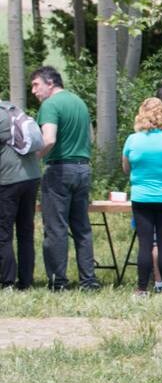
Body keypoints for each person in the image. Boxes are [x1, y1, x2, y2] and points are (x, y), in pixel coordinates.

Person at [30, 66, 97, 290]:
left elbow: (48, 139)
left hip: (59, 170)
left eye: (36, 84)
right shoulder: (79, 102)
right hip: (83, 168)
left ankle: (58, 281)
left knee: (56, 228)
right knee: (82, 228)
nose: (33, 91)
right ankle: (88, 280)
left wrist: (34, 158)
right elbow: (92, 137)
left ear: (50, 83)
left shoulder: (50, 105)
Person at [121, 98, 162, 294]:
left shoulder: (132, 140)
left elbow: (126, 167)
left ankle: (141, 289)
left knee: (144, 244)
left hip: (141, 197)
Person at [0, 98, 42, 289]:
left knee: (4, 232)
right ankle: (26, 281)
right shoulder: (13, 109)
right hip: (32, 177)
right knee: (25, 231)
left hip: (9, 180)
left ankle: (7, 281)